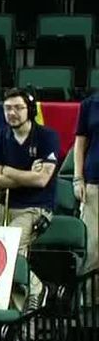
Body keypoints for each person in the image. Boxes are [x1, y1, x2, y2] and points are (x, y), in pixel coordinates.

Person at [0, 89, 59, 311]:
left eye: (18, 108)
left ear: (29, 109)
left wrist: (9, 171)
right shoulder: (0, 136)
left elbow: (42, 181)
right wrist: (26, 175)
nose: (12, 113)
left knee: (11, 254)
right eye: (8, 108)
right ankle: (20, 312)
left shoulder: (47, 136)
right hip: (6, 207)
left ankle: (37, 289)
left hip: (36, 208)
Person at [74, 86, 99, 278]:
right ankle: (89, 303)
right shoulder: (90, 105)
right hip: (94, 183)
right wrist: (78, 178)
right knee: (92, 246)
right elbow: (80, 144)